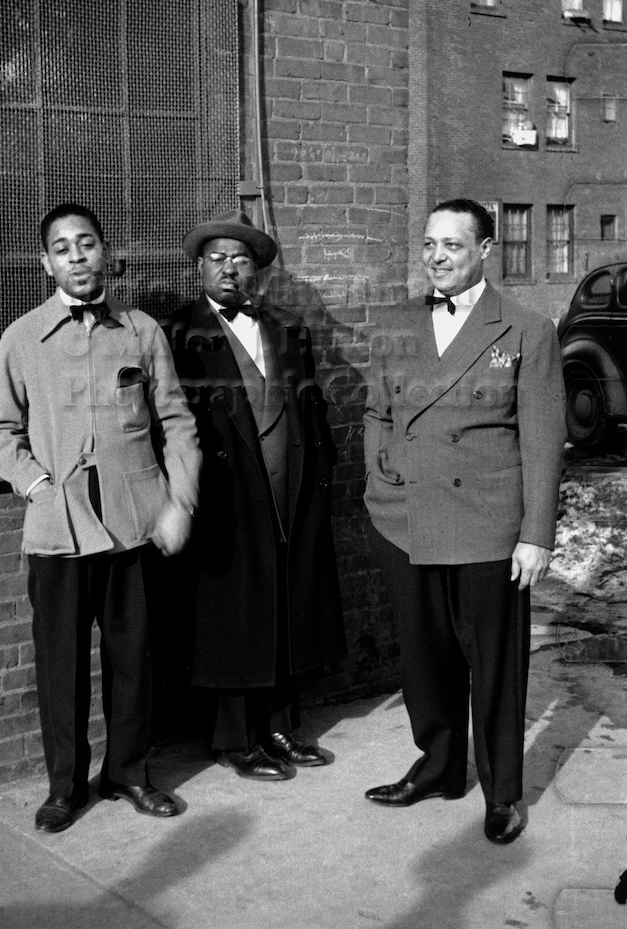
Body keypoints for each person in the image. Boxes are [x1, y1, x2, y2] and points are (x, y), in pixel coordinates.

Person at [0, 203, 201, 833]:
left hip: (132, 524)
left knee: (135, 658)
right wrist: (36, 486)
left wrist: (177, 502)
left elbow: (177, 424)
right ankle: (64, 786)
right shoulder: (22, 339)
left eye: (87, 244)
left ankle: (129, 772)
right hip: (59, 528)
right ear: (45, 261)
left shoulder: (140, 332)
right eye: (62, 247)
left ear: (107, 252)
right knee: (62, 664)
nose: (76, 257)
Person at [363, 198, 567, 844]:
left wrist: (535, 533)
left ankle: (502, 791)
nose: (436, 257)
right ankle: (439, 767)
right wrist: (381, 476)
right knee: (425, 659)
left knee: (495, 665)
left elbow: (541, 438)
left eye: (451, 245)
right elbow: (375, 414)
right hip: (406, 519)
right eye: (428, 244)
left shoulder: (526, 329)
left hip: (485, 524)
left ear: (484, 250)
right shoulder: (397, 325)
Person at [163, 209, 346, 780]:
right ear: (199, 268)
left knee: (286, 602)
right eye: (217, 259)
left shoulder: (288, 330)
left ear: (258, 273)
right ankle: (233, 740)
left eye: (241, 260)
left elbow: (309, 409)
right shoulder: (175, 335)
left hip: (288, 487)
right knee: (233, 613)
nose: (229, 269)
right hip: (226, 491)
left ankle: (279, 726)